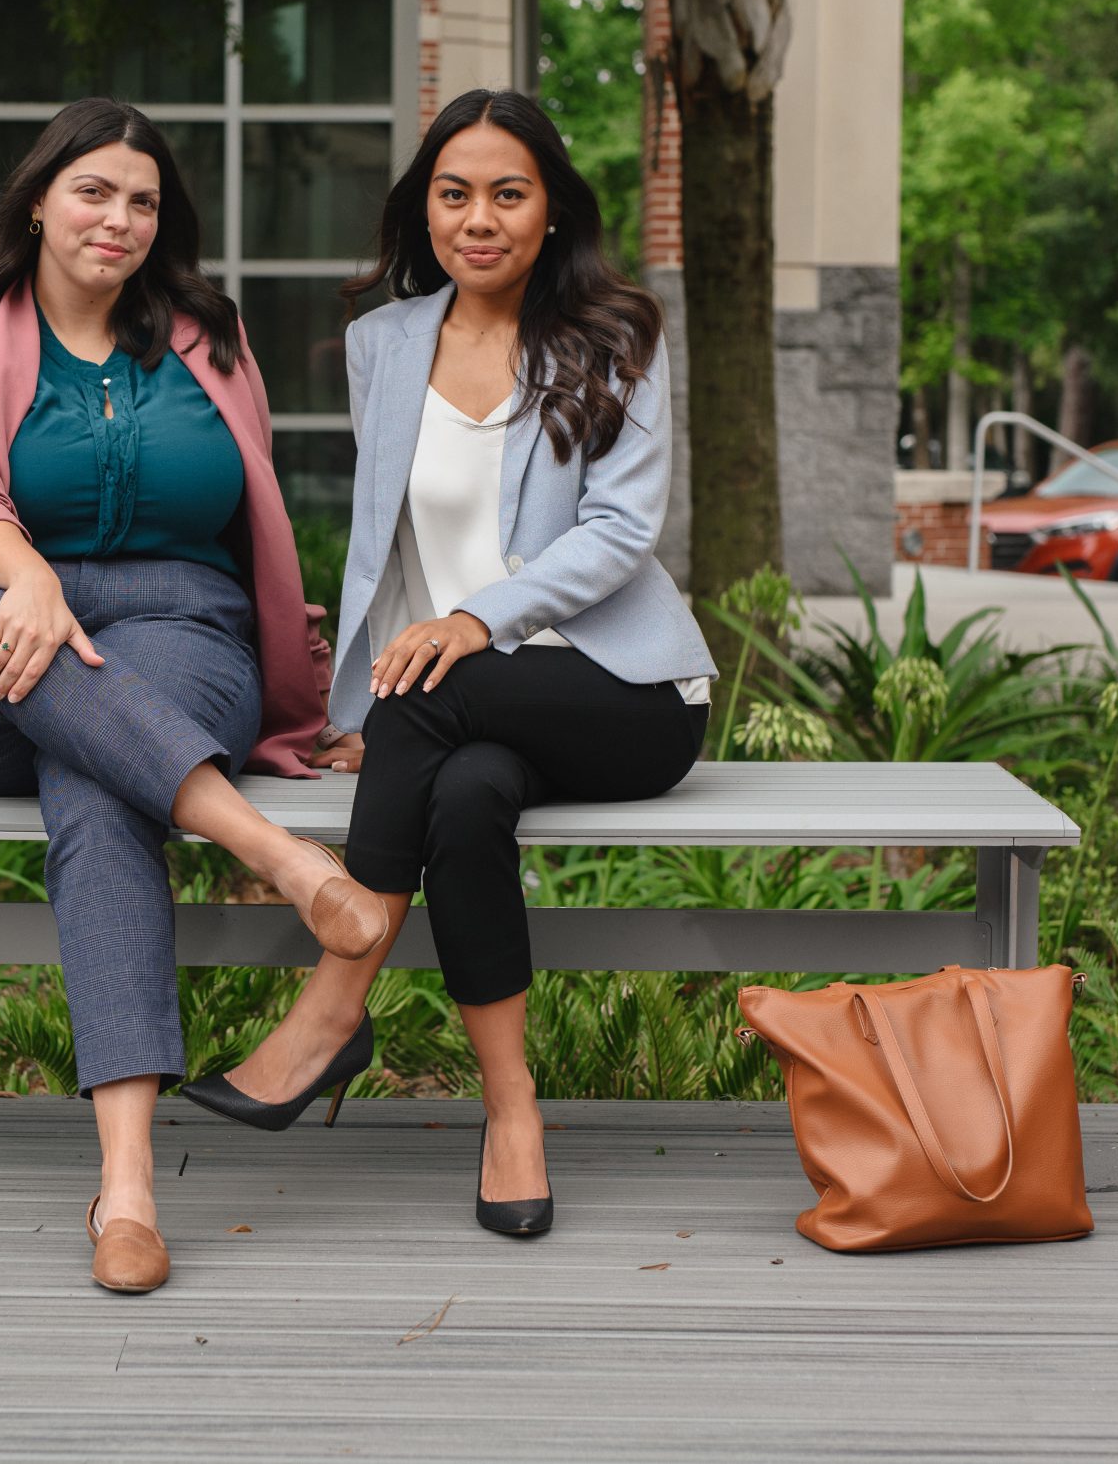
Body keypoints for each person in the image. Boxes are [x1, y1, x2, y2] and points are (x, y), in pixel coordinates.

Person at [0, 97, 394, 1294]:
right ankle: (281, 860)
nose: (118, 218)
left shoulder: (206, 342)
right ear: (37, 201)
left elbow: (258, 522)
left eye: (143, 201)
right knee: (54, 673)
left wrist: (320, 691)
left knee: (99, 774)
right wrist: (25, 581)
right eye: (94, 191)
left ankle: (126, 1191)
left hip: (184, 633)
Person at [180, 88, 717, 1236]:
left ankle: (329, 1009)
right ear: (423, 208)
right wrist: (356, 691)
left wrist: (477, 623)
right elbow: (386, 546)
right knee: (464, 802)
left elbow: (621, 533)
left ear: (552, 211)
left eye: (508, 194)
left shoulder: (618, 332)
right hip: (464, 716)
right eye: (454, 193)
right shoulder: (382, 347)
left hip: (624, 694)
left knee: (428, 693)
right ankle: (512, 1115)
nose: (479, 218)